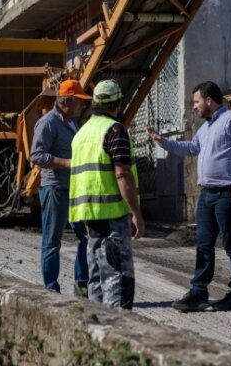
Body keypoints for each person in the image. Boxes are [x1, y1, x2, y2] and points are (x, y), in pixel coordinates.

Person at [147, 81, 231, 312]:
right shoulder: (205, 128)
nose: (194, 107)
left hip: (230, 193)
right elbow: (191, 148)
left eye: (196, 102)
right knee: (203, 244)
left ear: (209, 100)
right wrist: (163, 142)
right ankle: (198, 292)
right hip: (207, 194)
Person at [69, 79, 144, 310]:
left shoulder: (81, 134)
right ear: (118, 104)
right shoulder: (114, 130)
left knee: (97, 279)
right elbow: (122, 174)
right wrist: (136, 213)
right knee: (117, 278)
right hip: (113, 215)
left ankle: (96, 333)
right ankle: (118, 333)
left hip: (88, 215)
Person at [30, 79, 91, 296]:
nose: (83, 106)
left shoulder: (73, 122)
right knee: (52, 241)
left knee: (85, 237)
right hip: (55, 188)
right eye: (80, 102)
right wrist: (66, 163)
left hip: (74, 188)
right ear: (67, 102)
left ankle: (81, 284)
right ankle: (51, 290)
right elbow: (36, 155)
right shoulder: (48, 123)